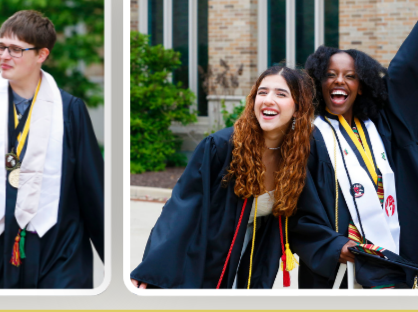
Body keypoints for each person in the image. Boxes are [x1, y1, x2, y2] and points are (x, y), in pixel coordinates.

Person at [293, 0, 418, 289]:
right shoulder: (309, 135)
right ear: (317, 81)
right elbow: (300, 205)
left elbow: (406, 68)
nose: (339, 81)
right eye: (330, 74)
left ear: (363, 85)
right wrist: (331, 247)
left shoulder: (382, 125)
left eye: (350, 75)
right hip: (342, 265)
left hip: (391, 254)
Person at [0, 10, 104, 289]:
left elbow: (92, 189)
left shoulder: (69, 111)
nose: (3, 56)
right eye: (0, 46)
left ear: (42, 55)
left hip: (59, 246)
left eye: (15, 49)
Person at [129, 66, 319, 289]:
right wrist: (153, 268)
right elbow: (182, 209)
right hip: (207, 254)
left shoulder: (301, 154)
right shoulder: (222, 147)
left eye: (281, 94)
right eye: (262, 92)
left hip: (255, 254)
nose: (268, 99)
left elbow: (310, 213)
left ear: (298, 108)